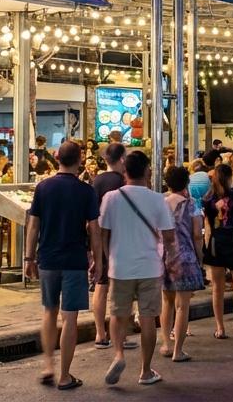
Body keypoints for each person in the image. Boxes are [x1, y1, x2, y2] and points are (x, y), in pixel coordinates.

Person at [25, 140, 102, 390]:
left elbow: (33, 225)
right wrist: (98, 261)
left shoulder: (43, 187)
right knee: (70, 318)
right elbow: (94, 229)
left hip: (47, 258)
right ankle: (65, 375)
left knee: (49, 311)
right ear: (79, 160)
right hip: (74, 260)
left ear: (57, 158)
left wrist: (28, 258)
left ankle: (48, 364)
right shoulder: (86, 191)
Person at [99, 151, 176, 387]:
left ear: (125, 172)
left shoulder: (111, 198)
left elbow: (103, 233)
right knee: (147, 319)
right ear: (147, 171)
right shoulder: (157, 199)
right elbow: (169, 236)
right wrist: (169, 256)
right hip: (150, 267)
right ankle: (144, 371)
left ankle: (119, 354)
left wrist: (106, 257)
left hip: (119, 266)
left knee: (117, 315)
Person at [159, 165, 203, 363]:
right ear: (186, 183)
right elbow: (197, 234)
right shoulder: (191, 204)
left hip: (164, 257)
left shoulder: (160, 203)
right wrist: (200, 257)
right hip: (185, 258)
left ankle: (166, 344)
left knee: (166, 302)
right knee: (182, 306)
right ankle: (178, 350)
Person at [90, 141, 129, 349]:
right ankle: (120, 335)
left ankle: (100, 333)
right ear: (122, 159)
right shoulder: (124, 181)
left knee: (101, 285)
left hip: (99, 238)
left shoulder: (97, 181)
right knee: (121, 288)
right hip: (121, 239)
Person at [201, 163, 233, 337]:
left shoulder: (207, 198)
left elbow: (207, 225)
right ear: (229, 178)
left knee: (217, 288)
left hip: (215, 242)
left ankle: (219, 327)